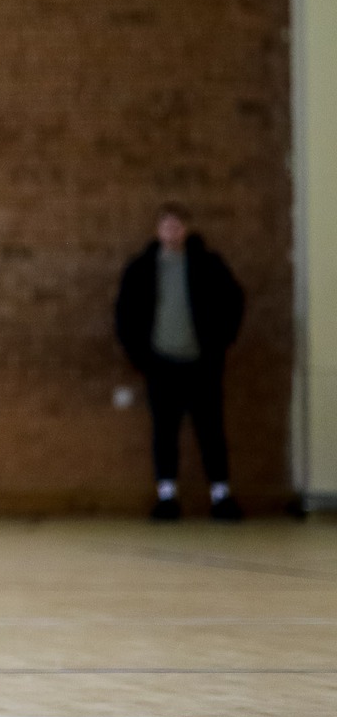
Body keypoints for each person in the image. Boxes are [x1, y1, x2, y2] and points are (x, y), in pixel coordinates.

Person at [114, 203, 245, 521]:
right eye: (166, 226)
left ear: (186, 229)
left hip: (202, 363)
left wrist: (219, 344)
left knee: (210, 430)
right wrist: (141, 357)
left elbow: (234, 301)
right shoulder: (142, 268)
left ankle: (220, 495)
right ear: (158, 230)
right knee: (165, 431)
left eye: (177, 226)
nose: (172, 231)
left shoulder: (208, 265)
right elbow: (125, 313)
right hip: (161, 364)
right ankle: (167, 496)